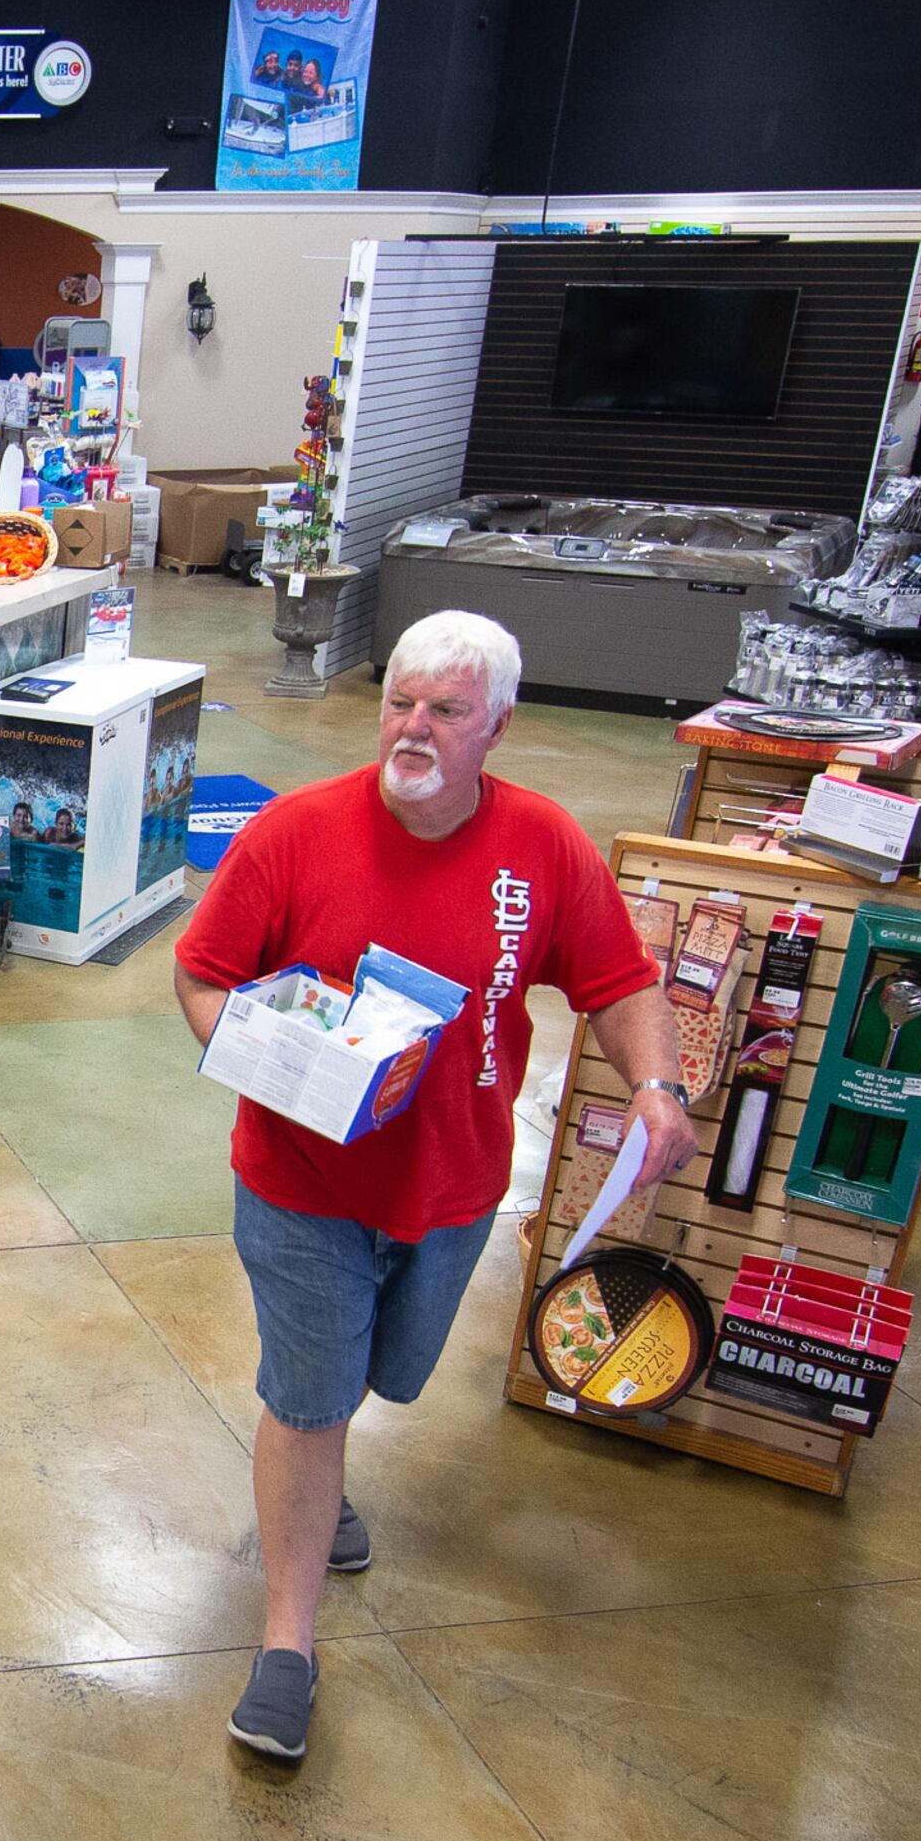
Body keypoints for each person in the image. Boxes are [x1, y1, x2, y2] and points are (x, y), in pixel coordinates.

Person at [172, 609, 695, 1769]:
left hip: (455, 1186)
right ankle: (287, 1647)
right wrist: (265, 1063)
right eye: (400, 701)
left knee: (382, 1375)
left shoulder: (545, 846)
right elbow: (204, 971)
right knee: (308, 1398)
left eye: (446, 710)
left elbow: (617, 981)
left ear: (496, 726)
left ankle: (326, 1480)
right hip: (301, 1181)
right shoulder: (294, 833)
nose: (414, 727)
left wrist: (657, 1085)